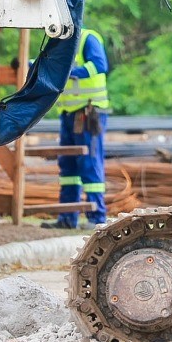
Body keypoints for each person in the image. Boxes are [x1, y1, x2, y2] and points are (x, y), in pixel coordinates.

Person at [53, 27, 110, 227]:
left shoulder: (87, 38)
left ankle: (97, 218)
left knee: (89, 163)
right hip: (68, 113)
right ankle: (67, 218)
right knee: (68, 165)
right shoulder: (57, 41)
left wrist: (68, 73)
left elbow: (100, 65)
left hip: (88, 113)